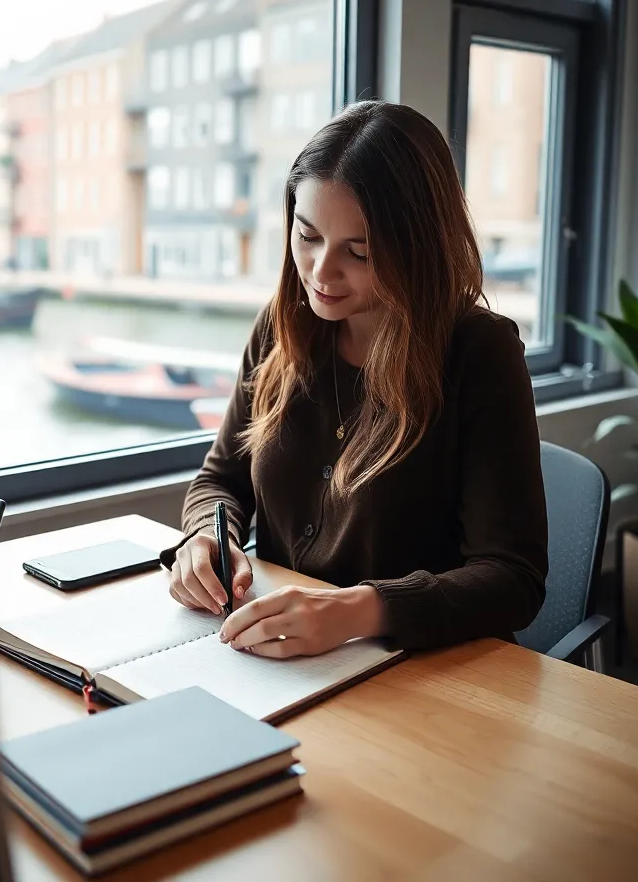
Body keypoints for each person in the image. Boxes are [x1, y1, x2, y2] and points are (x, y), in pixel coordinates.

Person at [162, 100, 548, 657]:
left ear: (418, 246)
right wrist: (207, 537)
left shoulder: (479, 351)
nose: (321, 272)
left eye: (359, 252)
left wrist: (356, 611)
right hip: (277, 656)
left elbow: (513, 578)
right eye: (307, 236)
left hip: (421, 668)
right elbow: (221, 479)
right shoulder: (281, 327)